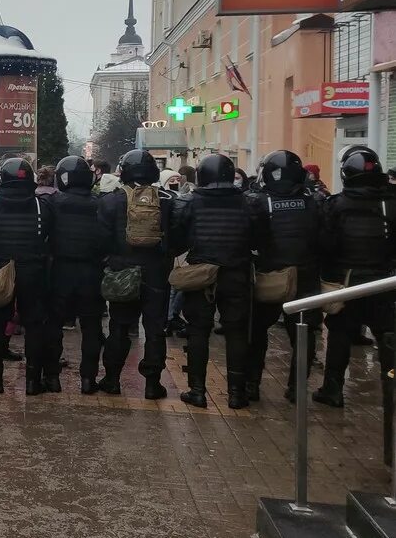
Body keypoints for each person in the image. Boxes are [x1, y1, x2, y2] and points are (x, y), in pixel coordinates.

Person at [171, 153, 258, 409]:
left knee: (198, 332)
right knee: (237, 333)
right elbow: (256, 238)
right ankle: (236, 393)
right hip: (237, 274)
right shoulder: (248, 203)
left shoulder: (190, 202)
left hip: (202, 275)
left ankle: (197, 391)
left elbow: (178, 240)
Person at [315, 147, 396, 408]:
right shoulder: (391, 203)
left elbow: (326, 244)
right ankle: (391, 390)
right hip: (385, 280)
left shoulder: (337, 204)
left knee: (339, 334)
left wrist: (329, 276)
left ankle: (333, 389)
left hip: (348, 281)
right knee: (388, 336)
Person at [96, 150, 175, 398]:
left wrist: (112, 260)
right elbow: (177, 237)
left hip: (123, 273)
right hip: (157, 274)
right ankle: (152, 384)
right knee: (154, 329)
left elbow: (101, 239)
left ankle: (112, 379)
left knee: (119, 326)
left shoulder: (111, 201)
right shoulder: (167, 200)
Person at [246, 150, 321, 404]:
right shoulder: (314, 201)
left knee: (256, 332)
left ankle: (251, 385)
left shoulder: (257, 202)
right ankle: (297, 387)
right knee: (304, 335)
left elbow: (250, 238)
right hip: (305, 278)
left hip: (269, 276)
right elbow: (325, 239)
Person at [0, 158, 55, 394]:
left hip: (0, 272)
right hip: (34, 271)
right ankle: (33, 380)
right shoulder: (43, 206)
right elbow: (50, 238)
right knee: (34, 326)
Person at [48, 156, 108, 395]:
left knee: (53, 326)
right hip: (92, 273)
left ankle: (52, 377)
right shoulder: (101, 203)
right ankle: (88, 379)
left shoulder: (52, 202)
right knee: (92, 327)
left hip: (59, 272)